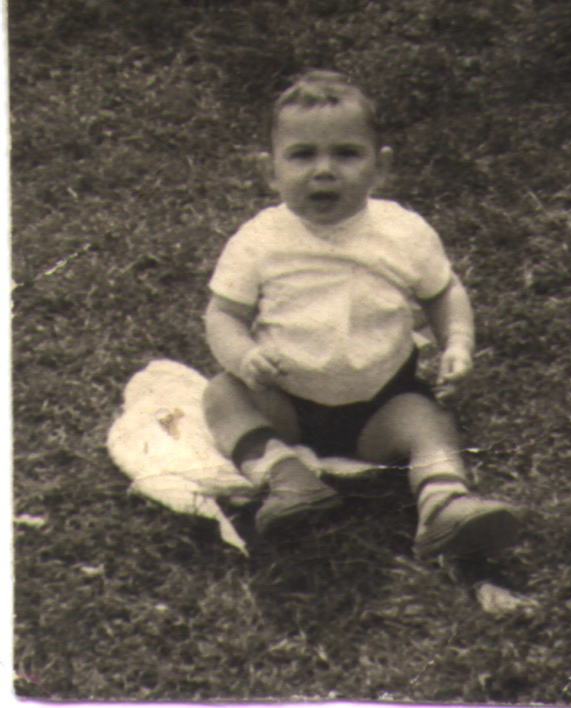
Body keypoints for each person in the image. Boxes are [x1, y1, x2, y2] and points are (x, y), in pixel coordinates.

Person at [202, 70, 522, 558]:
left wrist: (458, 343)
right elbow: (222, 315)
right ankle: (286, 477)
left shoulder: (402, 232)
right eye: (302, 154)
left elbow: (443, 292)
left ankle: (443, 501)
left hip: (379, 407)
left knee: (426, 419)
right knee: (222, 396)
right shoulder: (259, 240)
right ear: (270, 170)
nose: (324, 170)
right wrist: (244, 357)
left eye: (347, 154)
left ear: (380, 167)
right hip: (286, 400)